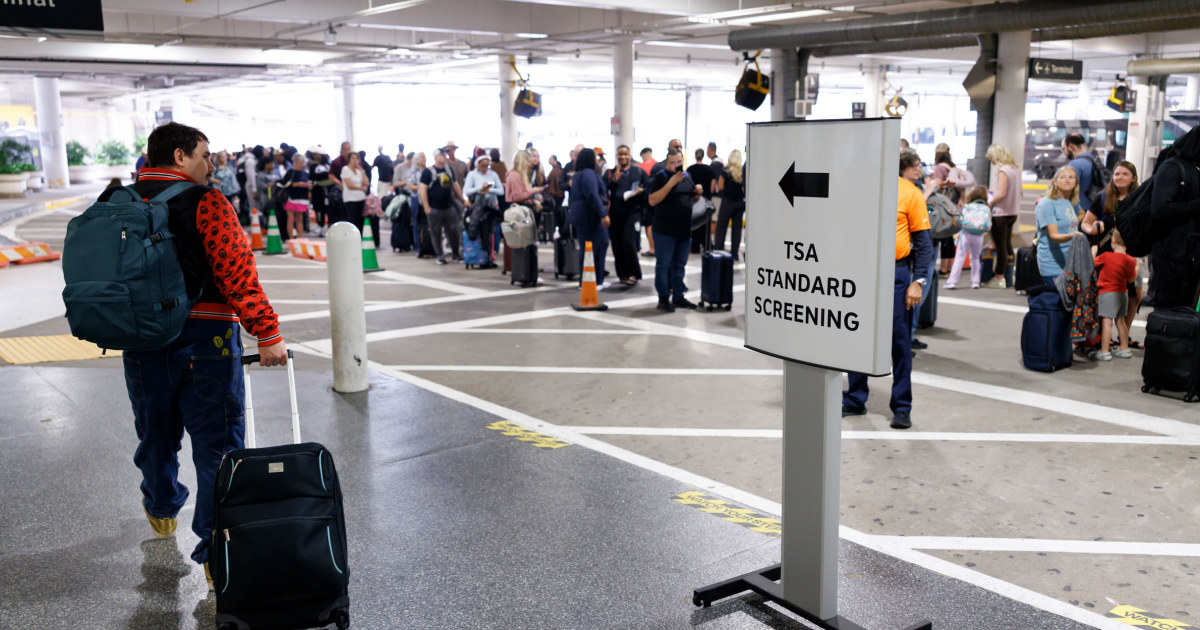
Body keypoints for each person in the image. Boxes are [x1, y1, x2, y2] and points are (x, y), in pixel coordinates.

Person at [116, 121, 287, 589]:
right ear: (178, 157)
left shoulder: (120, 203)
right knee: (218, 447)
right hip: (206, 340)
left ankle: (161, 506)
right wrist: (267, 333)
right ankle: (216, 554)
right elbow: (236, 271)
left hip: (142, 342)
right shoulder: (207, 202)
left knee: (155, 433)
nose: (211, 164)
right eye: (204, 155)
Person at [842, 149, 933, 430]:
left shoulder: (910, 193)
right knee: (857, 336)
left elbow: (924, 243)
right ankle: (855, 398)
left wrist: (918, 281)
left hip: (896, 273)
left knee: (899, 341)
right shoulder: (858, 189)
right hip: (860, 273)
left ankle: (902, 406)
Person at [1145, 126, 1200, 308]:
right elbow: (1159, 209)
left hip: (1190, 257)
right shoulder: (1173, 167)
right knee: (1168, 317)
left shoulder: (1194, 169)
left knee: (1184, 315)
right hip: (1171, 257)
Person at [647, 150, 702, 312]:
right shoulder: (660, 177)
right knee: (664, 265)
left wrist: (697, 192)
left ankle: (678, 296)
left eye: (678, 162)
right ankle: (663, 298)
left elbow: (690, 198)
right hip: (664, 231)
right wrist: (670, 183)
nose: (676, 166)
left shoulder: (687, 176)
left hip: (684, 230)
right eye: (672, 163)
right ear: (666, 163)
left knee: (680, 265)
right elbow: (652, 200)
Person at [1091, 230, 1139, 361]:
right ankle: (1124, 348)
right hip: (1123, 293)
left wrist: (1093, 252)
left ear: (1113, 241)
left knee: (1107, 322)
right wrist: (1138, 266)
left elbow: (1091, 264)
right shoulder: (1129, 259)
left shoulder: (1106, 256)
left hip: (1108, 292)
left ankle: (1104, 351)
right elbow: (1131, 279)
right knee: (1120, 321)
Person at [605, 145, 647, 287]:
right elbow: (604, 189)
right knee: (617, 244)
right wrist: (613, 181)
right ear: (617, 155)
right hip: (616, 213)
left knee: (628, 241)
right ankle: (622, 274)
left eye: (625, 154)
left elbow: (648, 187)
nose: (623, 157)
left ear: (630, 155)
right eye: (620, 154)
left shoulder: (638, 172)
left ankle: (633, 273)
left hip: (633, 212)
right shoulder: (611, 173)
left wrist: (641, 191)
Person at [568, 148, 611, 287]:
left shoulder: (577, 175)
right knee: (598, 245)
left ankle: (586, 281)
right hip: (590, 215)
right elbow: (592, 195)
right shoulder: (588, 174)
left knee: (587, 248)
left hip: (581, 214)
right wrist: (603, 214)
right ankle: (596, 281)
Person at [983, 143, 1021, 288]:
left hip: (1001, 213)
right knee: (1007, 245)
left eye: (991, 157)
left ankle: (999, 278)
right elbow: (1020, 192)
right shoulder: (1014, 169)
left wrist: (990, 203)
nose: (991, 160)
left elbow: (1002, 193)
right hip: (1013, 212)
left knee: (1000, 247)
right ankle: (1008, 276)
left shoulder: (1003, 171)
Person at [420, 149, 466, 264]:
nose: (445, 157)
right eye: (442, 155)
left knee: (454, 231)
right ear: (436, 157)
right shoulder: (428, 172)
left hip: (449, 207)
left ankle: (456, 254)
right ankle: (440, 255)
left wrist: (462, 199)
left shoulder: (448, 170)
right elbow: (423, 189)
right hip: (434, 207)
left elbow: (455, 185)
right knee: (436, 233)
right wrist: (426, 206)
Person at [1035, 166, 1081, 282]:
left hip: (1070, 263)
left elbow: (1082, 214)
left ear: (1076, 183)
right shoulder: (1047, 204)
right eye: (1063, 177)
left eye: (1071, 177)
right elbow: (1054, 236)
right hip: (1052, 265)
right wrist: (1073, 235)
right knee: (1055, 299)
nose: (1067, 180)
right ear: (1055, 182)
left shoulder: (1070, 202)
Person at [945, 186, 991, 290]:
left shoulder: (967, 207)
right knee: (975, 258)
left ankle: (952, 282)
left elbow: (961, 220)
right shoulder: (986, 208)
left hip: (966, 233)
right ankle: (975, 282)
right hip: (979, 235)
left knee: (959, 257)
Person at [714, 149, 746, 261]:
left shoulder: (726, 171)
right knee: (737, 229)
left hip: (727, 202)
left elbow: (720, 186)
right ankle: (734, 253)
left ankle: (719, 250)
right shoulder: (743, 172)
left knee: (721, 226)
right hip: (740, 203)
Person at [1063, 132, 1097, 214]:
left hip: (1079, 211)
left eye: (1064, 148)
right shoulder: (1094, 161)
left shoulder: (1074, 165)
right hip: (1093, 210)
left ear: (1070, 147)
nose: (1064, 152)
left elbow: (1065, 189)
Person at [280, 153, 312, 240]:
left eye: (302, 162)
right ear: (295, 162)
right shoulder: (290, 172)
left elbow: (309, 183)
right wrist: (298, 184)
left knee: (300, 219)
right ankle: (291, 238)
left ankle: (300, 237)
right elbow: (285, 184)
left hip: (302, 198)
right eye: (300, 162)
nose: (301, 164)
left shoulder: (305, 173)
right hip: (291, 197)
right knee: (291, 219)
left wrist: (308, 187)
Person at [339, 151, 369, 235]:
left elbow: (366, 182)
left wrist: (362, 171)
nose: (355, 160)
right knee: (353, 219)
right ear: (349, 159)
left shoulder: (359, 171)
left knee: (360, 220)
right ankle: (352, 237)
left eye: (357, 158)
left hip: (360, 198)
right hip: (350, 198)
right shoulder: (345, 169)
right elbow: (349, 185)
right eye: (353, 158)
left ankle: (360, 237)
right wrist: (361, 188)